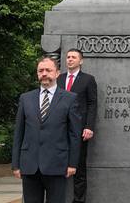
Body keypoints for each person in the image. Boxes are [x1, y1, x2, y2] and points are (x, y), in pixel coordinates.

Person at [12, 56, 81, 203]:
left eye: (48, 70)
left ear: (57, 73)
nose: (44, 73)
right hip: (30, 166)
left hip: (57, 164)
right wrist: (16, 164)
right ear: (37, 74)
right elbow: (19, 132)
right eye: (40, 70)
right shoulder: (25, 98)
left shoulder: (70, 98)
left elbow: (74, 134)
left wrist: (73, 163)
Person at [58, 48, 97, 203]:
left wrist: (89, 126)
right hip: (59, 129)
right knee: (57, 165)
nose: (70, 59)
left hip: (79, 130)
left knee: (79, 168)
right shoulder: (59, 79)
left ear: (81, 61)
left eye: (73, 57)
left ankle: (79, 200)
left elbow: (92, 104)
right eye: (68, 57)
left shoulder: (88, 79)